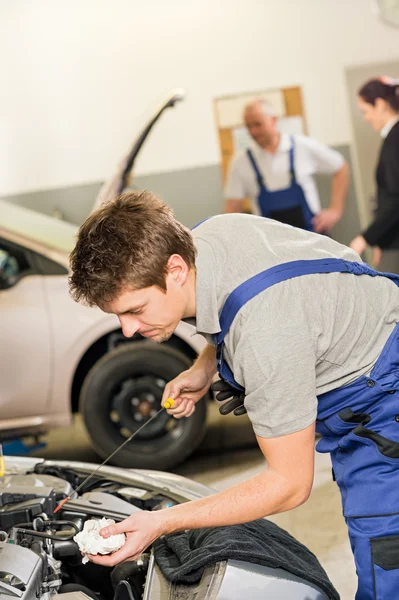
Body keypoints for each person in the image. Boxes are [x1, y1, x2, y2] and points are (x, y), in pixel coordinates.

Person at [70, 191, 399, 599]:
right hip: (367, 334)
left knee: (389, 571)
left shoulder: (265, 333)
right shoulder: (208, 236)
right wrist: (205, 367)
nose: (127, 330)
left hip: (385, 405)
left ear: (174, 270)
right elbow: (248, 295)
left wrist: (162, 522)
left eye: (136, 310)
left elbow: (289, 483)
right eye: (118, 315)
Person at [224, 100, 349, 233]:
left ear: (273, 120)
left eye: (258, 124)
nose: (253, 131)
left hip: (313, 238)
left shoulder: (302, 145)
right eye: (248, 127)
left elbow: (341, 167)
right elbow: (233, 207)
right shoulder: (240, 162)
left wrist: (335, 210)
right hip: (271, 247)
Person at [350, 77, 399, 273]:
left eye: (365, 112)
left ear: (379, 104)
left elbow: (395, 198)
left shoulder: (395, 138)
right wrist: (380, 240)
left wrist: (365, 238)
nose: (366, 118)